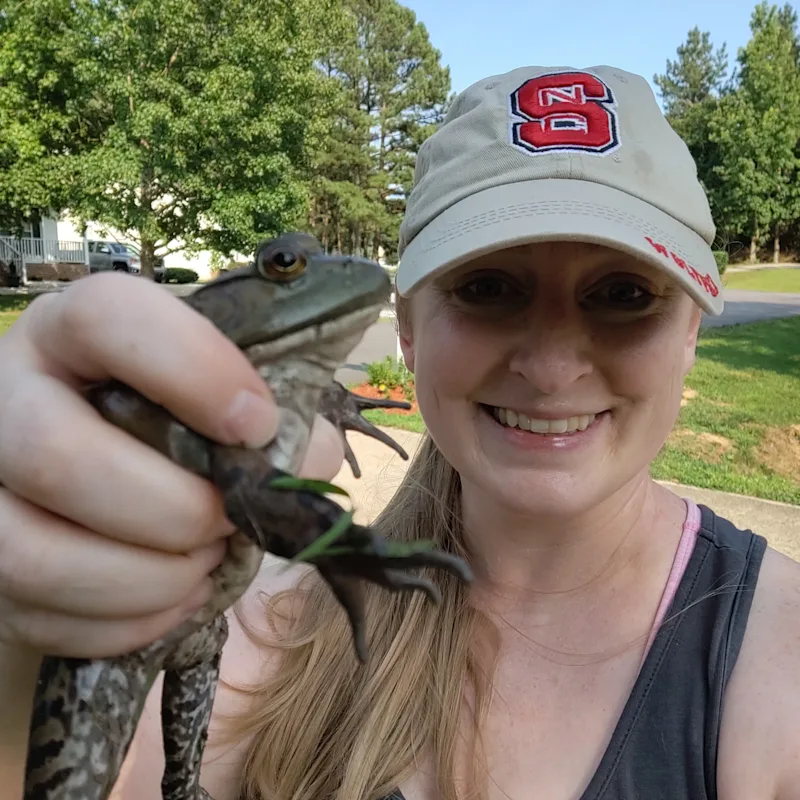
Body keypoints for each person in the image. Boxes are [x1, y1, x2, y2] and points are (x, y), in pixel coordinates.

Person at [1, 63, 799, 800]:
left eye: (624, 294)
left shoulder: (777, 660)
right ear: (408, 327)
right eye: (489, 286)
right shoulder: (258, 616)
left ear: (692, 330)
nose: (553, 369)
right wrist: (22, 650)